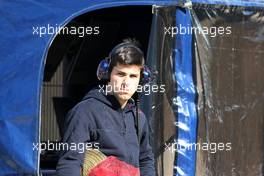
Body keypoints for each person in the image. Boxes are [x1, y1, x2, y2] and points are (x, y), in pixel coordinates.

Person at [56, 39, 155, 176]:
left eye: (133, 76)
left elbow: (145, 160)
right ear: (108, 74)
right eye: (120, 74)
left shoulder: (139, 117)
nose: (126, 83)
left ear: (141, 79)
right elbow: (70, 163)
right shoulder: (85, 112)